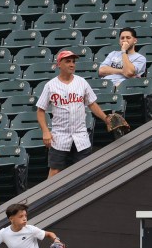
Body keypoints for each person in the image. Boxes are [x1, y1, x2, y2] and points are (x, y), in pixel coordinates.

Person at [36, 50, 110, 178]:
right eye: (68, 61)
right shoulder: (50, 85)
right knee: (55, 172)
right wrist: (45, 131)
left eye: (73, 62)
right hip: (59, 136)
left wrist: (106, 119)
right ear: (59, 64)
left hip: (80, 135)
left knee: (85, 172)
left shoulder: (81, 82)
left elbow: (92, 104)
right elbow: (40, 110)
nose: (72, 64)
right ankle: (50, 197)